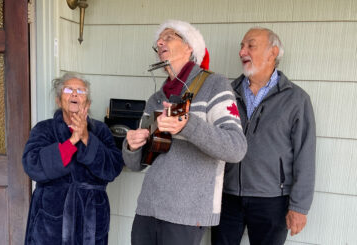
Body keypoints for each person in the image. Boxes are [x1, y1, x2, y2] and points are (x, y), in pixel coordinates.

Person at [122, 19, 247, 245]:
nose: (160, 41)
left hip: (187, 214)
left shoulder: (215, 85)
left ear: (190, 47)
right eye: (158, 40)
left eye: (169, 37)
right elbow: (137, 164)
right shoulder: (157, 98)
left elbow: (236, 148)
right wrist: (132, 146)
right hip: (149, 208)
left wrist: (188, 125)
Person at [211, 27, 316, 245]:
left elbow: (305, 156)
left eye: (250, 45)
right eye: (241, 46)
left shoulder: (296, 99)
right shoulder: (227, 93)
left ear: (273, 52)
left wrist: (299, 207)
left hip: (272, 201)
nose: (242, 52)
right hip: (227, 197)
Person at [22, 73, 124, 245]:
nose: (75, 93)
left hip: (91, 217)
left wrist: (86, 138)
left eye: (81, 91)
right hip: (51, 217)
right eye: (69, 89)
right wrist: (72, 141)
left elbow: (112, 168)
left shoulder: (101, 131)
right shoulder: (44, 129)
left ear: (88, 103)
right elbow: (32, 165)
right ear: (58, 100)